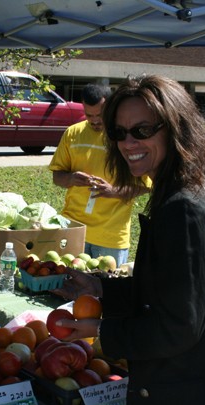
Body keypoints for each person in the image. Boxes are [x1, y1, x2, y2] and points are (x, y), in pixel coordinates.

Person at [54, 75, 205, 405]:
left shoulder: (184, 207)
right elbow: (172, 288)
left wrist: (101, 330)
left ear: (175, 128)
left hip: (189, 401)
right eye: (118, 133)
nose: (127, 142)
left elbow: (178, 325)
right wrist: (102, 287)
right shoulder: (182, 188)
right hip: (198, 391)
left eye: (142, 130)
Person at [49, 83, 149, 267]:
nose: (94, 121)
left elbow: (145, 185)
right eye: (89, 115)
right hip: (73, 229)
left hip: (110, 237)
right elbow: (57, 176)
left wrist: (114, 191)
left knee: (107, 293)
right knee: (69, 291)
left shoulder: (124, 138)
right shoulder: (73, 133)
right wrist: (70, 179)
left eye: (99, 115)